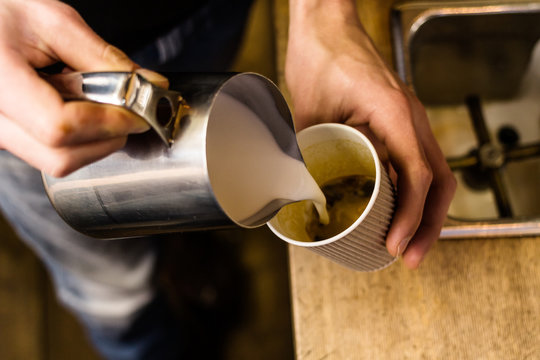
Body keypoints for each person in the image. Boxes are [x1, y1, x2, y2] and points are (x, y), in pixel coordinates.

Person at [0, 0, 456, 358]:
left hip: (203, 14)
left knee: (198, 200)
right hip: (28, 83)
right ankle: (148, 350)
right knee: (113, 288)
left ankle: (185, 248)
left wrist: (325, 15)